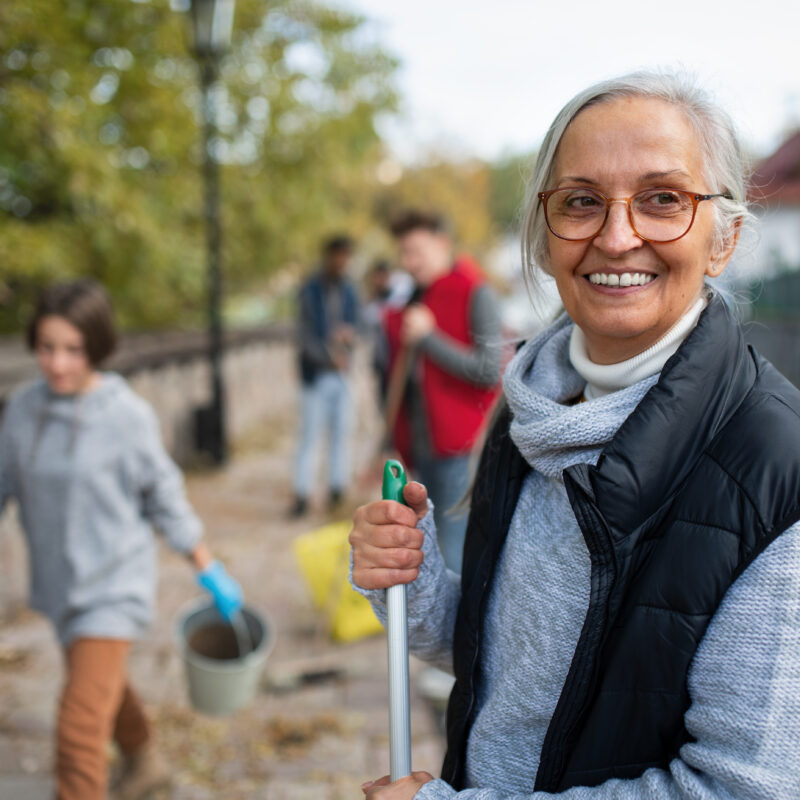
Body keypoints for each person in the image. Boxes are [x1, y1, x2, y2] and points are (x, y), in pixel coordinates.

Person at [350, 71, 800, 799]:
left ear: (725, 240)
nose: (617, 237)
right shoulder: (532, 415)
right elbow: (512, 664)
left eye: (663, 199)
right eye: (582, 201)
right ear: (544, 233)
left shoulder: (777, 474)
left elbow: (737, 790)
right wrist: (414, 580)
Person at [0, 279, 244, 800]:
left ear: (97, 346)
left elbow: (164, 496)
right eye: (47, 348)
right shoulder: (21, 410)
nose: (58, 364)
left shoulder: (126, 416)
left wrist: (206, 565)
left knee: (78, 729)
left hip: (114, 587)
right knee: (103, 690)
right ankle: (145, 761)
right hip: (60, 586)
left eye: (73, 349)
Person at [383, 211, 502, 573]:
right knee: (426, 539)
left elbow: (488, 370)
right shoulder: (416, 298)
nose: (409, 262)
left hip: (461, 447)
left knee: (452, 547)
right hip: (421, 444)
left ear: (442, 244)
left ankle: (455, 629)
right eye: (404, 253)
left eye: (416, 251)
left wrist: (428, 338)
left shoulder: (476, 291)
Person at [292, 234, 360, 516]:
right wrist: (328, 357)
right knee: (310, 436)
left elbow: (359, 326)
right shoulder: (309, 291)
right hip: (316, 376)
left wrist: (348, 338)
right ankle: (302, 493)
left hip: (341, 376)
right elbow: (304, 337)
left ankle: (336, 488)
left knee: (341, 434)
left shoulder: (350, 292)